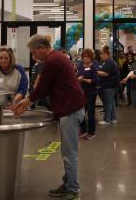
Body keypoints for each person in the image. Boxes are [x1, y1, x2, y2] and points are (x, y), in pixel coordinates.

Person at [12, 35, 85, 200]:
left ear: (42, 47)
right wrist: (27, 101)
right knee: (67, 151)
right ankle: (68, 184)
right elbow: (45, 87)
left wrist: (25, 104)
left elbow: (42, 88)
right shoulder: (57, 58)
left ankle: (73, 190)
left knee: (69, 153)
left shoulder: (53, 61)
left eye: (34, 52)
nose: (34, 56)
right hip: (72, 108)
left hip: (70, 111)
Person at [77, 48, 99, 140]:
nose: (85, 58)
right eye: (84, 57)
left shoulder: (93, 67)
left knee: (90, 113)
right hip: (82, 93)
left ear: (91, 58)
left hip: (91, 93)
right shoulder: (81, 66)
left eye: (87, 57)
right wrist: (78, 79)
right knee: (81, 112)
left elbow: (96, 80)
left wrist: (84, 80)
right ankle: (83, 130)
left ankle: (91, 132)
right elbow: (78, 76)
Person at [96, 46, 119, 125]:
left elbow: (105, 74)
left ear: (106, 54)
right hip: (109, 85)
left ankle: (107, 120)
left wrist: (95, 72)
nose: (100, 56)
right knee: (111, 102)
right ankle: (113, 118)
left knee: (108, 103)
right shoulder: (107, 62)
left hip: (109, 86)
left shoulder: (109, 62)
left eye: (101, 54)